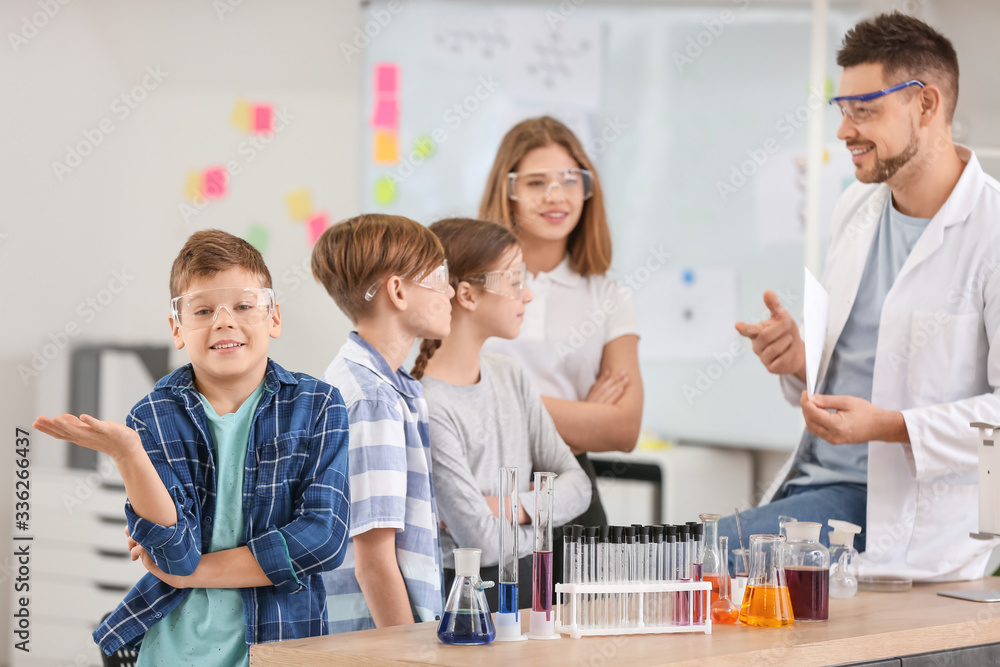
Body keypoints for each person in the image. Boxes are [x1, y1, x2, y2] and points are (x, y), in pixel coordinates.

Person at [725, 12, 1000, 581]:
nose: (844, 131)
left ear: (926, 105)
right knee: (688, 562)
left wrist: (891, 426)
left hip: (902, 518)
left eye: (864, 110)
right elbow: (859, 370)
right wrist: (802, 361)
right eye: (841, 110)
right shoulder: (856, 207)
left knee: (689, 555)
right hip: (817, 484)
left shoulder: (991, 231)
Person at [34, 230, 351, 663]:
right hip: (175, 652)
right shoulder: (152, 417)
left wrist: (196, 573)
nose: (224, 320)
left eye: (243, 306)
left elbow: (324, 539)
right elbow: (175, 556)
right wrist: (129, 454)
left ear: (273, 317)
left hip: (283, 645)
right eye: (203, 310)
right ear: (177, 329)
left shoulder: (318, 405)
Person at [412, 217, 592, 610]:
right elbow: (483, 542)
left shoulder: (511, 375)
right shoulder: (426, 403)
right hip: (467, 597)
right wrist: (542, 531)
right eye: (514, 280)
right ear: (467, 295)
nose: (526, 295)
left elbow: (580, 487)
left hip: (531, 585)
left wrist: (509, 507)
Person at [479, 116, 644, 528]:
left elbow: (624, 429)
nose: (556, 196)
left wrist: (503, 406)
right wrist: (585, 415)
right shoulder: (470, 287)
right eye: (536, 183)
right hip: (483, 494)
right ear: (509, 191)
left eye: (570, 181)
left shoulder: (608, 297)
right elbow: (450, 407)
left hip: (573, 503)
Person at [311, 214, 451, 632]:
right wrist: (413, 657)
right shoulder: (373, 398)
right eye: (440, 278)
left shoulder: (385, 385)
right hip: (374, 638)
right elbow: (373, 564)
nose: (450, 293)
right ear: (397, 291)